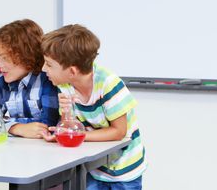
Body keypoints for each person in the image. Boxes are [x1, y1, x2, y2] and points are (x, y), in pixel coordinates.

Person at [41, 24, 146, 190]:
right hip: (95, 168)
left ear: (72, 71)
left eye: (49, 64)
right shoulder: (65, 85)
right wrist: (66, 116)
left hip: (124, 170)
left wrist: (79, 135)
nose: (43, 69)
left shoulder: (108, 84)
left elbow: (119, 131)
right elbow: (69, 127)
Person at [0, 19, 60, 138]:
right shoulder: (1, 83)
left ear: (27, 55)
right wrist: (16, 128)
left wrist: (6, 123)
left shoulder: (47, 80)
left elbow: (48, 125)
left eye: (5, 58)